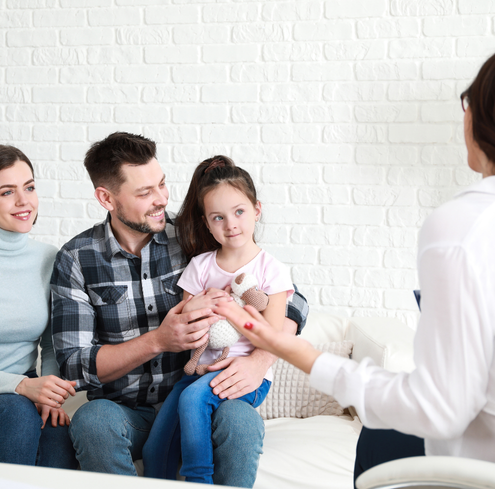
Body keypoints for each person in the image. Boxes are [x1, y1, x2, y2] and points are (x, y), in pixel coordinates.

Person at [213, 53, 495, 486]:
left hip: (475, 462)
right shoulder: (195, 267)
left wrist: (301, 355)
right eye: (216, 217)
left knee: (380, 437)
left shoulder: (464, 226)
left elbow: (441, 409)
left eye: (467, 102)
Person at [51, 133, 308, 486]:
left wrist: (260, 360)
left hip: (206, 393)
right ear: (106, 198)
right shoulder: (76, 259)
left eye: (162, 184)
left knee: (241, 422)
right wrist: (158, 340)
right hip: (129, 411)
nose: (161, 200)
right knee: (93, 420)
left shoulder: (191, 232)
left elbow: (291, 299)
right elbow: (75, 363)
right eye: (145, 193)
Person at [142, 156, 294, 484]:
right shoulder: (200, 266)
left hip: (246, 375)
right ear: (207, 224)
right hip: (199, 369)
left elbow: (271, 337)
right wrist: (202, 311)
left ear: (257, 209)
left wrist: (236, 313)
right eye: (218, 218)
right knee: (156, 450)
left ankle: (200, 479)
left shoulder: (272, 271)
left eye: (239, 212)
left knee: (195, 397)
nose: (231, 224)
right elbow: (188, 332)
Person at [0, 145, 77, 469]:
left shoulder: (48, 258)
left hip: (27, 383)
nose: (24, 202)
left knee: (61, 440)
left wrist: (50, 391)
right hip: (13, 389)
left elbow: (49, 340)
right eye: (7, 192)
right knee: (19, 416)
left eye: (29, 187)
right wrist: (20, 386)